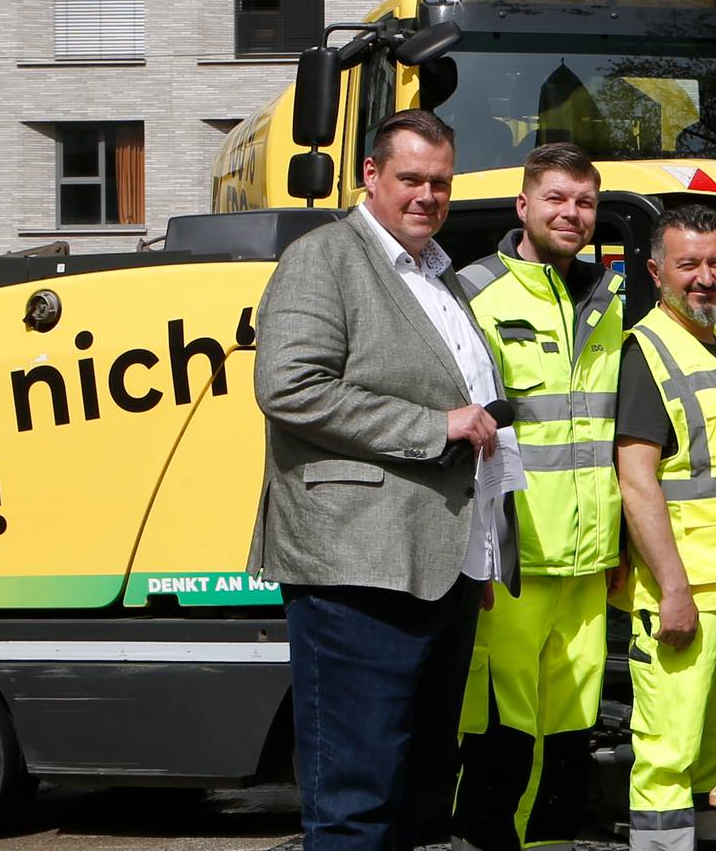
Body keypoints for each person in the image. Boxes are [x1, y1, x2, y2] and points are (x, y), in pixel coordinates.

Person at [251, 109, 510, 851]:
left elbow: (479, 412)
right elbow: (290, 386)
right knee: (355, 803)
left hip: (441, 565)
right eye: (411, 180)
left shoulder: (441, 275)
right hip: (357, 568)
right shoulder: (324, 257)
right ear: (371, 175)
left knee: (418, 796)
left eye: (440, 182)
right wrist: (435, 427)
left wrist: (485, 545)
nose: (428, 196)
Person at [452, 144, 628, 851]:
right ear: (522, 206)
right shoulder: (474, 292)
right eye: (556, 198)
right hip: (513, 565)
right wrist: (478, 553)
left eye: (584, 202)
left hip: (588, 569)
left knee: (570, 744)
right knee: (499, 741)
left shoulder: (609, 298)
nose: (571, 213)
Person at [614, 203, 716, 851]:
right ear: (656, 271)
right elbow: (637, 480)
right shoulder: (647, 350)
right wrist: (672, 588)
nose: (706, 277)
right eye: (689, 264)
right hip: (686, 597)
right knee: (668, 754)